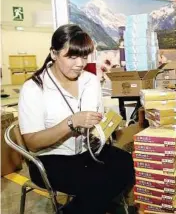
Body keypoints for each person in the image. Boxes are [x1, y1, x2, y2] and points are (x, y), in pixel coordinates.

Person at [18, 24, 135, 214]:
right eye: (72, 56)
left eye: (84, 56)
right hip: (51, 159)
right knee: (99, 183)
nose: (80, 63)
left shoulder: (91, 81)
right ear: (54, 54)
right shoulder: (34, 88)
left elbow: (97, 119)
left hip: (86, 149)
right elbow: (32, 143)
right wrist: (70, 123)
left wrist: (103, 125)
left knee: (125, 162)